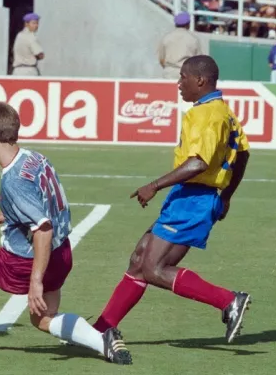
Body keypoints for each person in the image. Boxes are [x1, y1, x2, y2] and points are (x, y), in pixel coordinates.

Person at [0, 101, 133, 364]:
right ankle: (102, 340)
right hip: (61, 254)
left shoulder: (13, 179)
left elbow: (42, 228)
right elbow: (39, 207)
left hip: (25, 261)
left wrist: (35, 281)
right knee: (42, 319)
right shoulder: (34, 158)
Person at [91, 55, 252, 344]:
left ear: (200, 81)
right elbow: (242, 154)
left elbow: (198, 163)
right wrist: (226, 196)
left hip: (194, 199)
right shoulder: (223, 111)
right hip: (191, 196)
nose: (179, 84)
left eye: (183, 77)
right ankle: (101, 328)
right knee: (140, 258)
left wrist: (154, 185)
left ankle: (228, 300)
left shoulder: (206, 114)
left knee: (154, 268)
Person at [157, 11, 202, 80]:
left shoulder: (166, 38)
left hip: (169, 73)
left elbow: (161, 59)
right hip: (187, 73)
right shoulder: (193, 39)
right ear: (188, 24)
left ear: (175, 24)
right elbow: (198, 60)